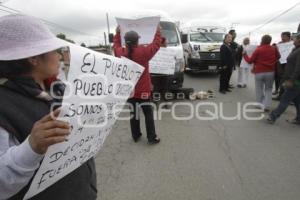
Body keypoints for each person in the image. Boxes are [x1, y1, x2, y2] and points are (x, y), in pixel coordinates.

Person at [0, 15, 97, 200]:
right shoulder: (4, 105)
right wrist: (32, 146)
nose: (60, 56)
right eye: (54, 50)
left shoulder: (58, 88)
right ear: (33, 58)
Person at [113, 26, 161, 144]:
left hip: (129, 90)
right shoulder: (143, 52)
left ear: (125, 41)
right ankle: (151, 137)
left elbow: (116, 46)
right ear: (137, 41)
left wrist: (117, 33)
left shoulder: (120, 53)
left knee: (134, 113)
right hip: (143, 90)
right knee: (148, 114)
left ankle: (136, 135)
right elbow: (156, 45)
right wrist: (158, 31)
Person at [267, 32, 300, 124]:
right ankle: (299, 119)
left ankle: (273, 116)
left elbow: (298, 68)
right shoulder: (296, 49)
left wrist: (291, 80)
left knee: (285, 99)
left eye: (295, 38)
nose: (293, 40)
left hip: (295, 81)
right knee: (297, 101)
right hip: (293, 80)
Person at [244, 35, 280, 112]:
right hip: (270, 72)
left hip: (259, 72)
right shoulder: (274, 48)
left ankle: (259, 104)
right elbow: (278, 57)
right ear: (270, 41)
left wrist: (244, 55)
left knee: (259, 89)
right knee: (269, 89)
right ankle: (267, 105)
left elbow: (250, 61)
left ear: (262, 40)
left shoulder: (258, 49)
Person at [273, 31, 293, 100]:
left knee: (286, 80)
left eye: (284, 36)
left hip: (289, 64)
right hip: (280, 64)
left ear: (288, 37)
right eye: (282, 36)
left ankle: (286, 97)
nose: (282, 38)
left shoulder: (292, 44)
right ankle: (280, 95)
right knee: (281, 80)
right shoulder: (279, 44)